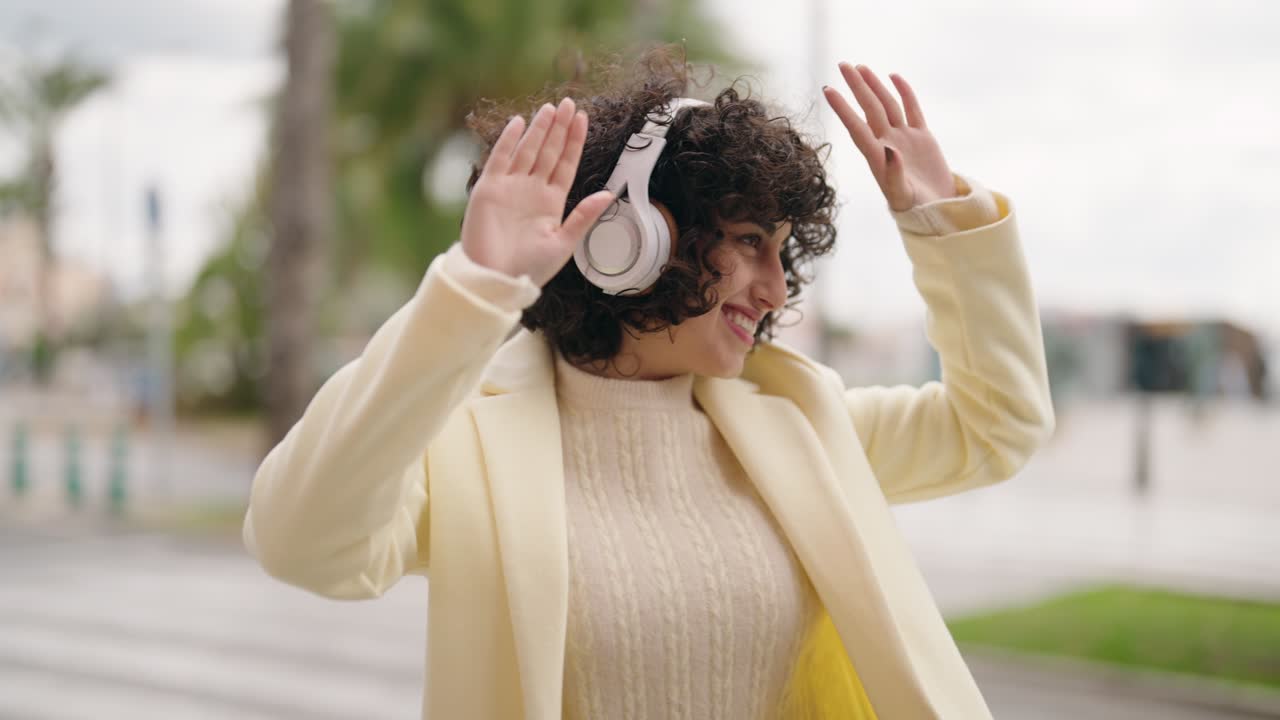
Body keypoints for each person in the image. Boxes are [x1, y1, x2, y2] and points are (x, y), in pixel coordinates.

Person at [243, 48, 1055, 719]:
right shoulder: (466, 445)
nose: (776, 288)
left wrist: (942, 220)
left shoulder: (802, 420)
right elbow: (300, 541)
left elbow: (997, 426)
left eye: (782, 250)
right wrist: (473, 287)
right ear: (627, 240)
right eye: (747, 241)